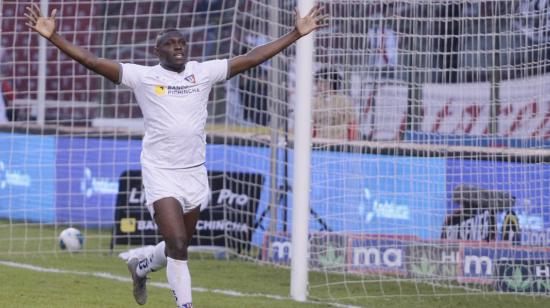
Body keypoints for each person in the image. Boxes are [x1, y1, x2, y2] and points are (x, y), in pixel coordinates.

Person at [24, 3, 327, 307]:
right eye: (170, 44)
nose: (178, 47)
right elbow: (91, 60)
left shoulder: (202, 72)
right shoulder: (142, 76)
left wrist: (294, 34)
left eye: (181, 42)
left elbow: (250, 59)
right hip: (161, 172)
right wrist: (54, 37)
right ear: (158, 51)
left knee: (176, 246)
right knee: (179, 244)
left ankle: (141, 267)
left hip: (194, 172)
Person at [312, 68, 358, 140]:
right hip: (319, 143)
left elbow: (352, 124)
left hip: (340, 144)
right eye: (317, 82)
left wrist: (351, 143)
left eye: (319, 82)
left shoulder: (345, 101)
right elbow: (313, 126)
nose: (317, 85)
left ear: (328, 83)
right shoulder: (315, 102)